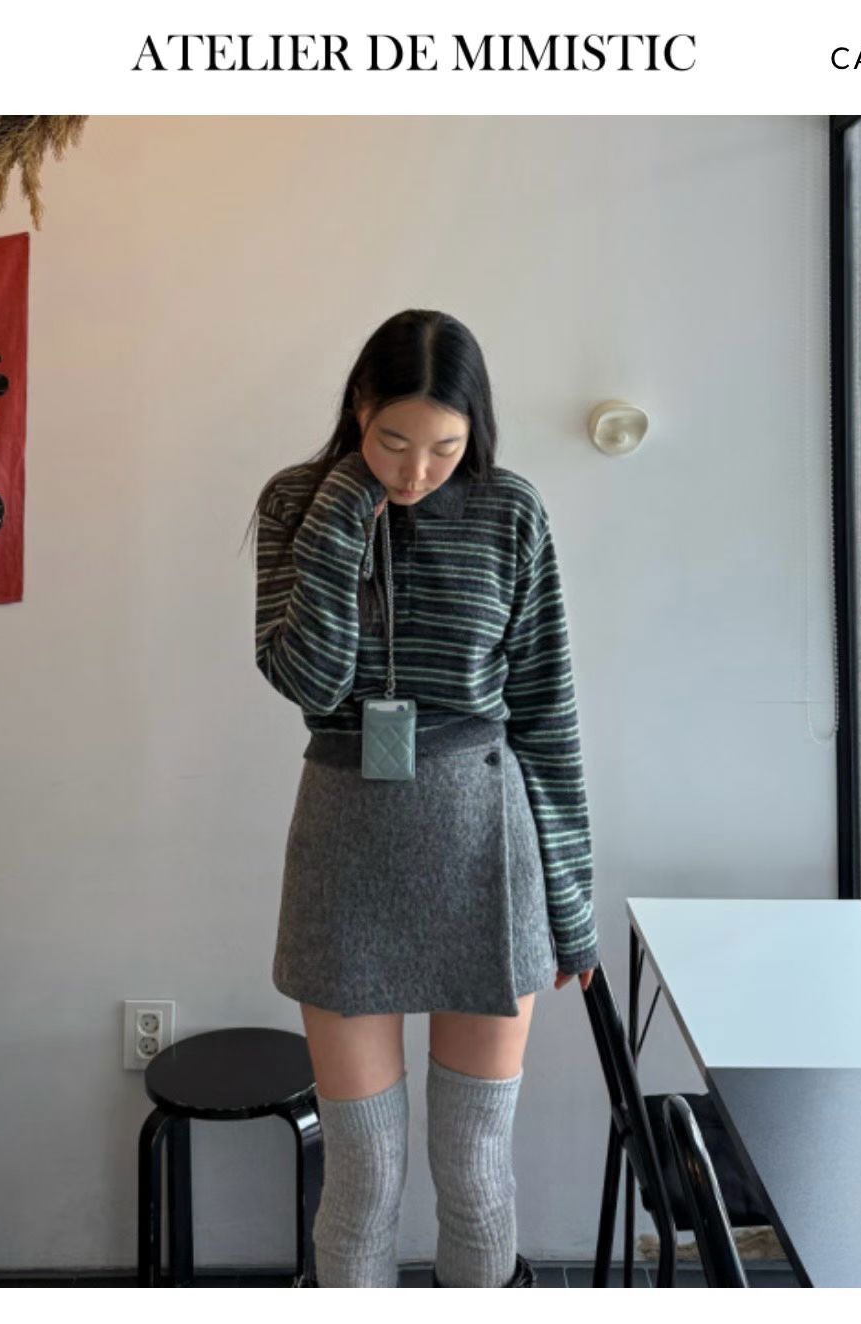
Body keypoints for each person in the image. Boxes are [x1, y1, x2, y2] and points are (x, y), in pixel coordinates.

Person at [247, 309, 599, 1288]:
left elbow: (547, 712)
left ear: (474, 430)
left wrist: (571, 909)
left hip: (485, 851)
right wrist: (343, 512)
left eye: (443, 447)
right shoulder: (296, 502)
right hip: (346, 853)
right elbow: (310, 680)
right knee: (362, 1178)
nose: (416, 471)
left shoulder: (511, 509)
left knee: (476, 1172)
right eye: (395, 441)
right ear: (360, 406)